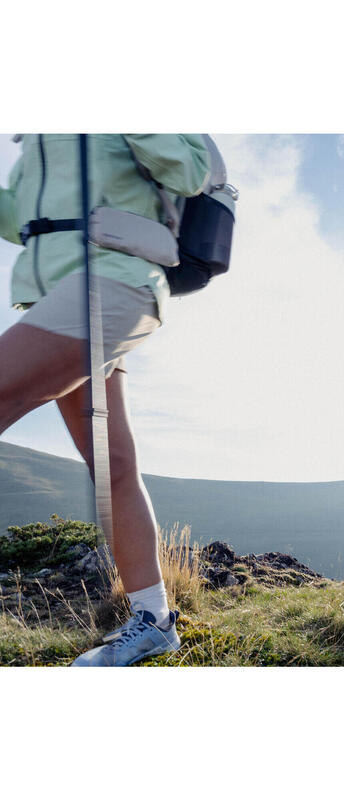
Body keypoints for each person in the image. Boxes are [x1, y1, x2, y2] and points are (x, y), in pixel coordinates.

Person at [0, 134, 211, 665]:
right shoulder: (35, 151)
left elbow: (192, 171)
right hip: (57, 297)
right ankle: (154, 620)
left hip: (116, 282)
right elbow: (16, 220)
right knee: (112, 464)